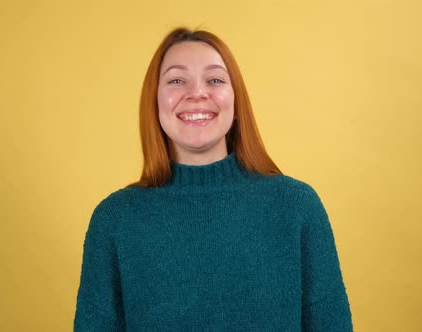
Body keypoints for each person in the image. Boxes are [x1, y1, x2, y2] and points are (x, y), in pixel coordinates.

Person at [74, 27, 353, 331]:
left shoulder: (297, 207)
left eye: (215, 79)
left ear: (235, 102)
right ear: (154, 101)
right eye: (177, 80)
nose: (196, 93)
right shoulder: (115, 219)